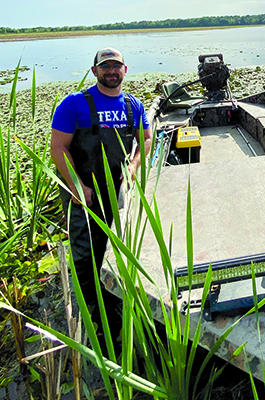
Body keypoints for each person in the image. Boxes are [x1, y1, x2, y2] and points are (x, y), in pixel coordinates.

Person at [51, 47, 153, 326]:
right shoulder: (73, 104)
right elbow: (58, 148)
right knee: (85, 253)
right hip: (83, 190)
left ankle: (117, 302)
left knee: (118, 246)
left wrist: (133, 167)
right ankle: (91, 313)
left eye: (116, 66)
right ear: (94, 71)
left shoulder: (134, 106)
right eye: (105, 66)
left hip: (117, 190)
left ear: (125, 70)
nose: (111, 71)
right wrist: (77, 185)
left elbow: (145, 140)